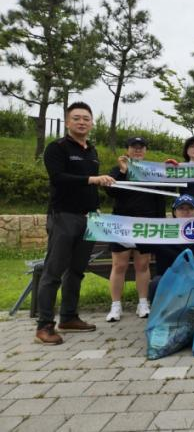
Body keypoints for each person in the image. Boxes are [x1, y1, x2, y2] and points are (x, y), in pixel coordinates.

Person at [36, 102, 116, 345]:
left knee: (77, 270)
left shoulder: (92, 150)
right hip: (64, 216)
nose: (82, 122)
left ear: (92, 123)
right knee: (53, 271)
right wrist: (92, 179)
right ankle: (44, 325)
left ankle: (69, 317)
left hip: (89, 218)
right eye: (77, 118)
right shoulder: (57, 148)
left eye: (86, 118)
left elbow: (89, 186)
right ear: (67, 122)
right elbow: (58, 178)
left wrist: (97, 202)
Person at [105, 137, 166, 322]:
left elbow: (160, 198)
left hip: (146, 225)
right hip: (121, 224)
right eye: (134, 147)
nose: (138, 150)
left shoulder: (153, 171)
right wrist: (123, 171)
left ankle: (143, 303)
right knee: (119, 265)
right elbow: (111, 192)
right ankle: (115, 306)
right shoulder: (117, 169)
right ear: (128, 149)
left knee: (143, 265)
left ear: (145, 150)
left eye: (141, 147)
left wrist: (160, 223)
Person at [149, 194, 194, 304]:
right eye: (181, 208)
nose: (186, 212)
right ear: (174, 212)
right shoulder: (161, 231)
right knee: (156, 283)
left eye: (190, 208)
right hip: (168, 278)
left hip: (193, 278)